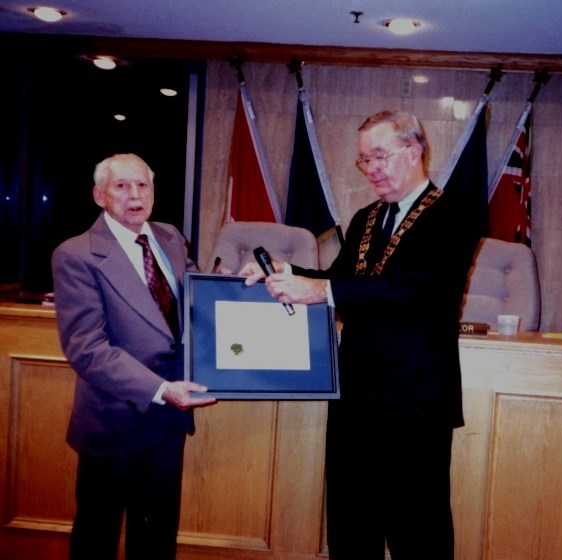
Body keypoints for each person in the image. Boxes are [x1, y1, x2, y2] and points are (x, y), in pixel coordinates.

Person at [240, 110, 481, 559]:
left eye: (379, 157)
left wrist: (321, 288)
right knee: (352, 527)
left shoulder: (454, 213)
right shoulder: (366, 217)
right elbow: (340, 280)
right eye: (363, 161)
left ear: (413, 152)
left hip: (415, 403)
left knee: (418, 531)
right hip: (354, 395)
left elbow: (412, 290)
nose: (371, 169)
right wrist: (286, 272)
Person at [51, 153, 216, 560]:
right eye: (121, 186)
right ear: (99, 195)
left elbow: (200, 300)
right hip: (114, 419)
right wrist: (160, 390)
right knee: (97, 536)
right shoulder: (76, 255)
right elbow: (86, 349)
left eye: (143, 185)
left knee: (157, 536)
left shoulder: (170, 238)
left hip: (167, 423)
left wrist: (246, 284)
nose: (135, 195)